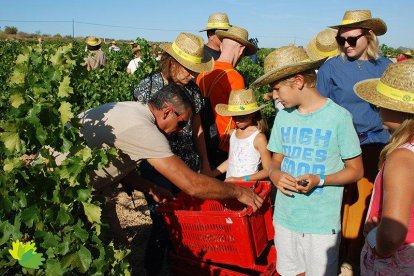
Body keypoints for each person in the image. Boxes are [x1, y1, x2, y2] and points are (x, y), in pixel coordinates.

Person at [78, 84, 263, 273]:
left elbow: (118, 167)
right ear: (167, 111)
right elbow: (192, 184)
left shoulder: (132, 109)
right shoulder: (145, 130)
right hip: (68, 194)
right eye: (182, 122)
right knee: (101, 258)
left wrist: (151, 188)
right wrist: (237, 191)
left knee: (117, 251)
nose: (181, 130)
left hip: (87, 188)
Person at [252, 45, 364, 275]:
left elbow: (355, 170)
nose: (274, 96)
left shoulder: (339, 118)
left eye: (276, 89)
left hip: (321, 224)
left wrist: (319, 179)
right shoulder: (284, 117)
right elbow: (275, 161)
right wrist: (275, 174)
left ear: (298, 81)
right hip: (285, 218)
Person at [316, 10, 392, 271]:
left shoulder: (386, 67)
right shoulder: (331, 67)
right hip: (343, 147)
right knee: (343, 203)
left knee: (370, 203)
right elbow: (321, 108)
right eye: (341, 40)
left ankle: (361, 254)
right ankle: (343, 254)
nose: (346, 45)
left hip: (378, 143)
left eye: (352, 39)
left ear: (369, 37)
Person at [132, 32, 214, 275]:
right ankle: (154, 269)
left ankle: (180, 265)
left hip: (186, 162)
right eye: (188, 69)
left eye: (194, 70)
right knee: (162, 222)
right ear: (172, 62)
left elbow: (198, 130)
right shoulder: (147, 87)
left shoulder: (194, 90)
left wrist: (205, 163)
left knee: (186, 219)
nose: (192, 75)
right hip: (156, 165)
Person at [354, 60, 414, 274]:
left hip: (398, 260)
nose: (377, 107)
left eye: (381, 103)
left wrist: (378, 245)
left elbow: (392, 234)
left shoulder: (402, 157)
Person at [196, 26, 257, 171]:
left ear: (222, 46)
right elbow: (241, 113)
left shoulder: (203, 72)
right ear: (241, 49)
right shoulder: (234, 77)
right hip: (224, 141)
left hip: (204, 140)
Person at [213, 88, 271, 181]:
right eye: (234, 117)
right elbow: (232, 161)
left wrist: (241, 179)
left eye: (242, 117)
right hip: (231, 186)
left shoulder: (259, 138)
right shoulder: (233, 133)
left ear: (253, 114)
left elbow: (268, 170)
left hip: (248, 187)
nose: (237, 121)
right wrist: (212, 174)